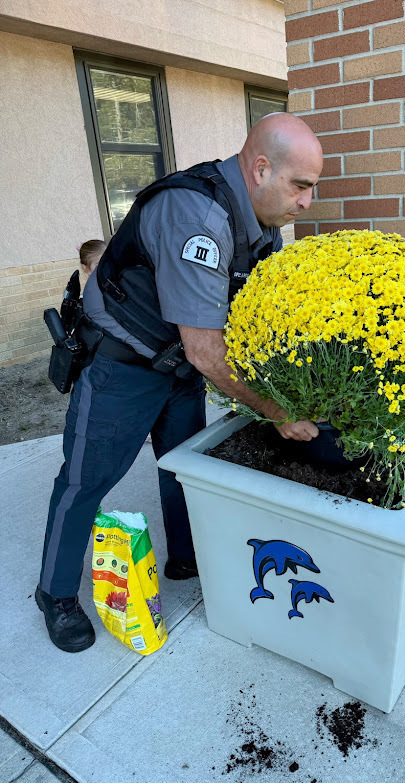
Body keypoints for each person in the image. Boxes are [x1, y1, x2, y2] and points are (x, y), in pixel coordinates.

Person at [36, 113, 324, 652]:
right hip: (121, 365)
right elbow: (208, 351)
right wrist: (277, 410)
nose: (307, 201)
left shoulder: (262, 221)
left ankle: (187, 556)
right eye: (301, 186)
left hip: (179, 365)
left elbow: (264, 310)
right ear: (261, 168)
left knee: (184, 468)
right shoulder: (198, 216)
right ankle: (54, 593)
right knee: (86, 481)